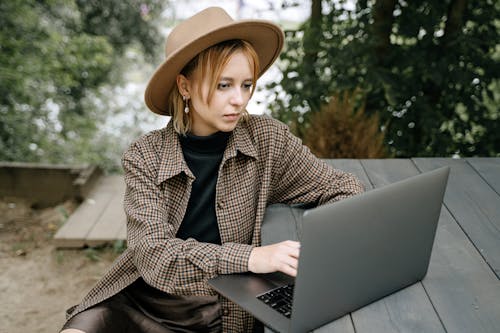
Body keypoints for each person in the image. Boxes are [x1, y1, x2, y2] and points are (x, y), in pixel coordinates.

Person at [60, 6, 364, 333]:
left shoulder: (268, 141)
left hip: (221, 310)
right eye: (224, 85)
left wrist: (304, 248)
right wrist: (251, 258)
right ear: (185, 86)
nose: (239, 100)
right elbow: (153, 255)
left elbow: (345, 189)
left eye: (246, 85)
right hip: (142, 299)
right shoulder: (144, 155)